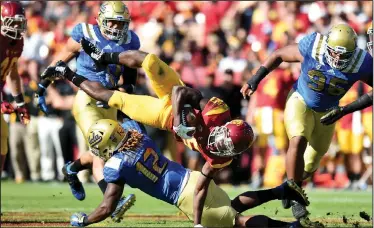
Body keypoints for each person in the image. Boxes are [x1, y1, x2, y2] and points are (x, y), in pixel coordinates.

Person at [240, 23, 372, 224]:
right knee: (297, 140)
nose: (336, 58)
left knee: (312, 161)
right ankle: (295, 195)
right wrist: (255, 79)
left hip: (329, 112)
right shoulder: (314, 46)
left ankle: (288, 186)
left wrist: (346, 109)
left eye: (342, 55)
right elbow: (279, 54)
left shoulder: (362, 63)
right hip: (300, 100)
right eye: (333, 52)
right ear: (326, 45)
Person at [69, 119, 309, 227]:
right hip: (191, 176)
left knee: (236, 222)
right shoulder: (136, 135)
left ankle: (289, 227)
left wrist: (84, 220)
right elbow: (130, 121)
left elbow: (107, 207)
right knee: (231, 205)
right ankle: (281, 190)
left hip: (182, 195)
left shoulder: (116, 166)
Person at [34, 1, 139, 221]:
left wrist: (123, 94)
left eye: (121, 24)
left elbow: (129, 81)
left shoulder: (131, 41)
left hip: (109, 101)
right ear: (100, 20)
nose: (116, 28)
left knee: (103, 149)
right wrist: (43, 85)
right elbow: (62, 58)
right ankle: (112, 201)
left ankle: (71, 169)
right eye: (112, 22)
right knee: (102, 146)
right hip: (86, 99)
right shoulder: (86, 33)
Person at [0, 1, 30, 176]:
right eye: (14, 23)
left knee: (3, 137)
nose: (18, 28)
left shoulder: (17, 43)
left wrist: (20, 103)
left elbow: (12, 72)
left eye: (20, 23)